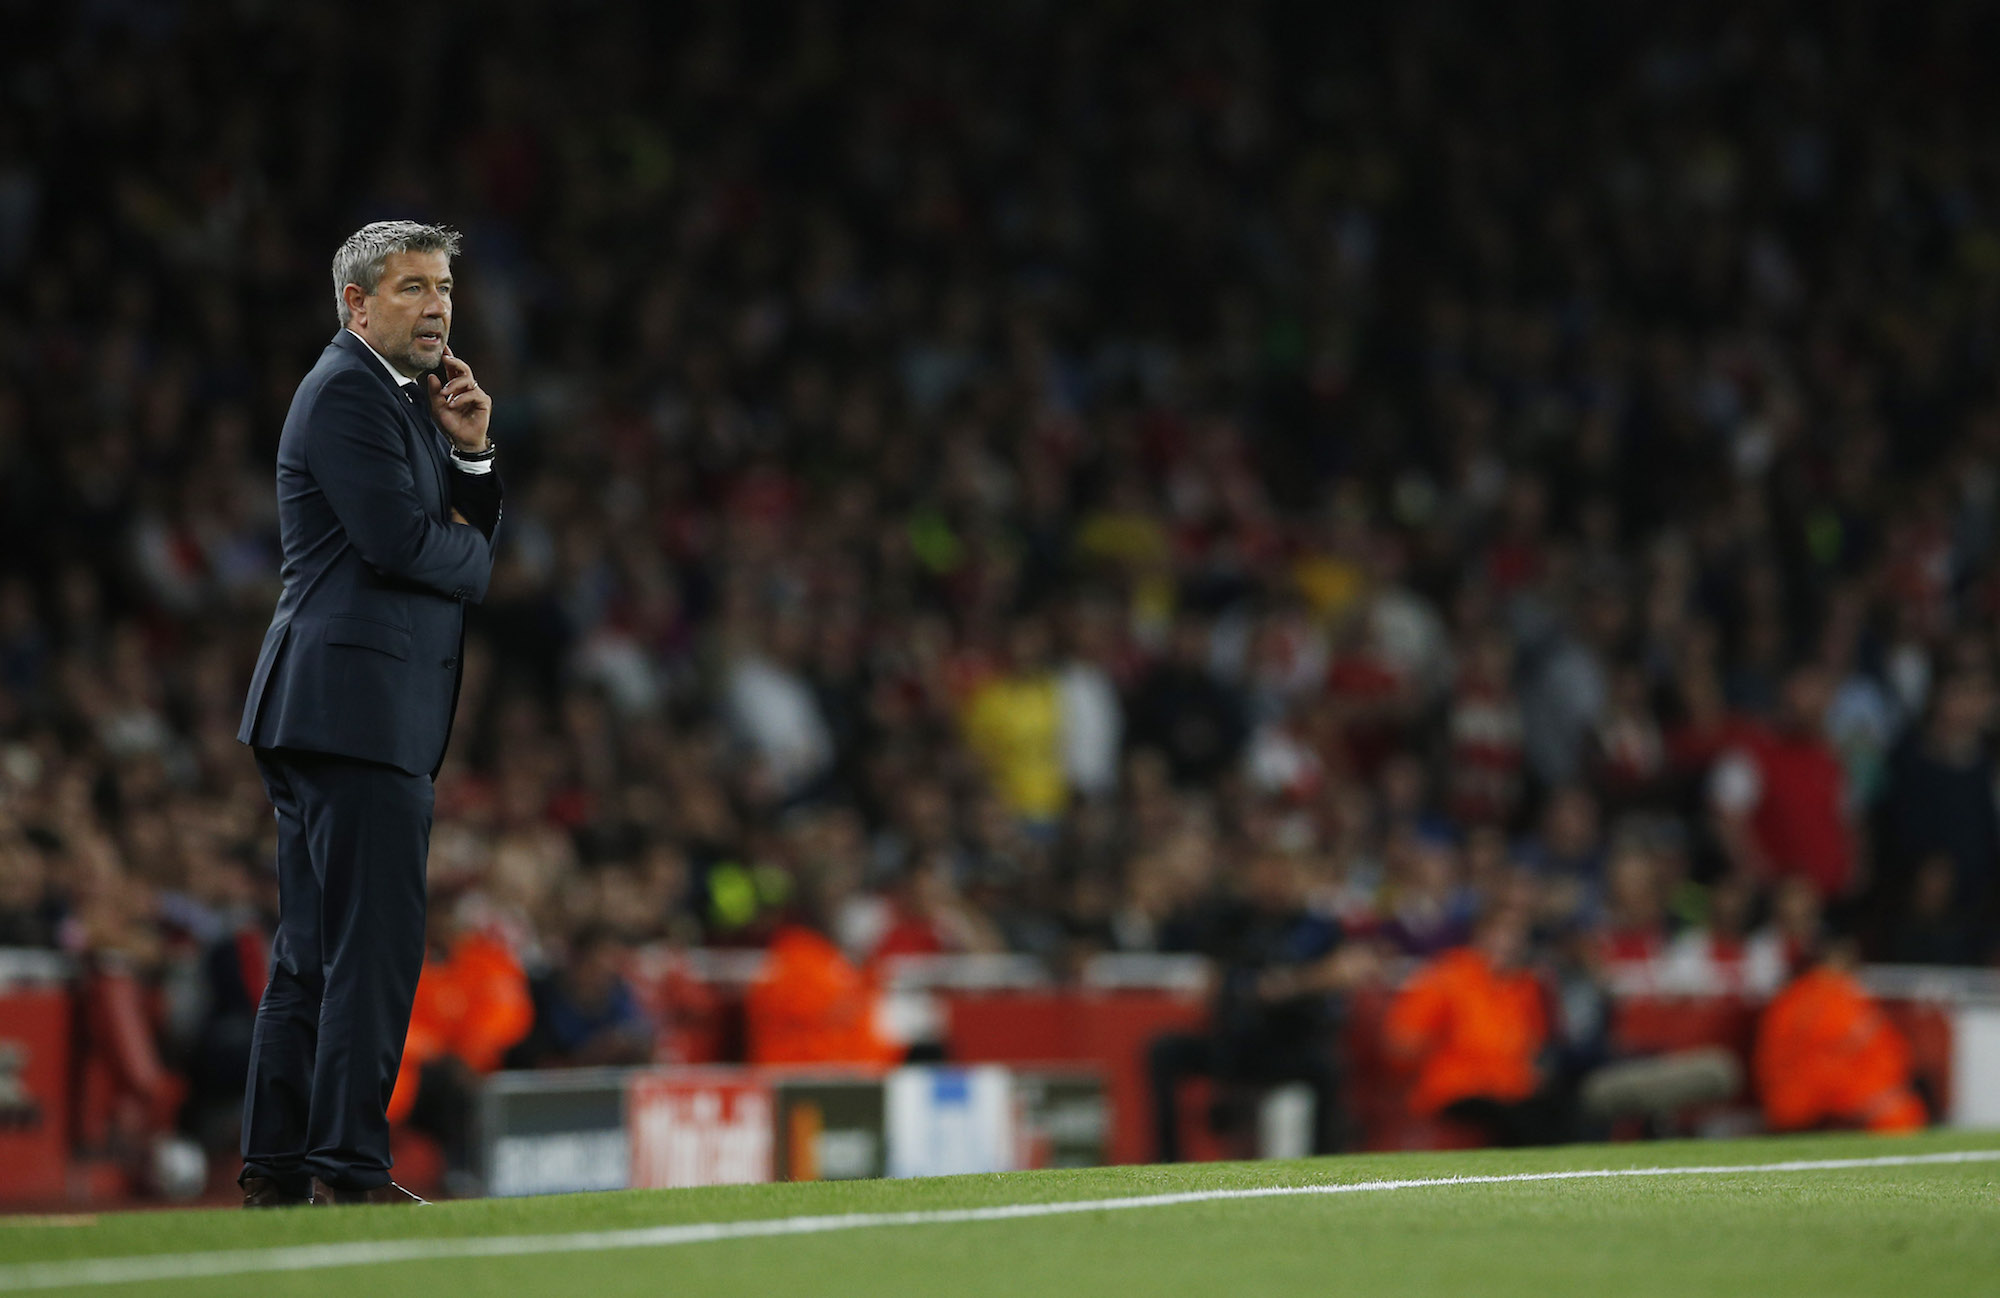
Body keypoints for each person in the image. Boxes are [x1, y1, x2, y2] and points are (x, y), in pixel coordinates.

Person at [234, 221, 503, 1207]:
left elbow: (444, 536)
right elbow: (400, 543)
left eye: (442, 288)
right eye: (410, 288)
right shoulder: (348, 390)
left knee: (310, 952)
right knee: (371, 949)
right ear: (357, 303)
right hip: (353, 712)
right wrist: (470, 551)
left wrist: (471, 459)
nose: (435, 306)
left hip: (335, 708)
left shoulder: (400, 400)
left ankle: (276, 1167)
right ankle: (346, 1167)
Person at [1148, 852, 1376, 1161]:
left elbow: (1343, 972)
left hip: (1289, 1043)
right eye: (1265, 874)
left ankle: (1324, 1163)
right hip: (1235, 1042)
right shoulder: (1230, 920)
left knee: (1328, 1067)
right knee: (1164, 1051)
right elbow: (1213, 978)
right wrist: (1256, 987)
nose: (1272, 883)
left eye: (1281, 875)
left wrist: (1292, 984)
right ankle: (1167, 1161)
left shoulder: (1317, 926)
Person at [1755, 937, 1926, 1134]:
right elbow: (1888, 1054)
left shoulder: (1787, 998)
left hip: (1784, 1100)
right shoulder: (1843, 998)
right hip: (1822, 1098)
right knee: (1901, 1110)